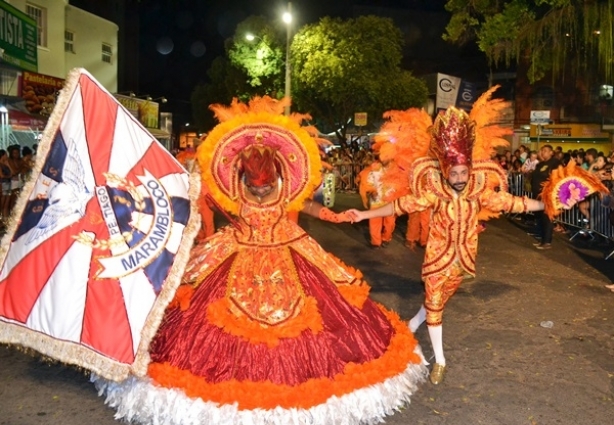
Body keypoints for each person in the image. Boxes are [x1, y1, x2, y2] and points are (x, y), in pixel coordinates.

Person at [93, 97, 428, 424]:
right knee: (194, 316)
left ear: (276, 178)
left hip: (289, 248)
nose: (261, 194)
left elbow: (305, 205)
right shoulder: (234, 192)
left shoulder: (284, 189)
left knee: (328, 314)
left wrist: (333, 214)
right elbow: (195, 197)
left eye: (266, 188)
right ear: (242, 180)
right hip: (235, 250)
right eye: (255, 189)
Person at [347, 103, 553, 386]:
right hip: (436, 259)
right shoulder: (435, 192)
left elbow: (512, 203)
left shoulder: (479, 190)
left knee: (439, 302)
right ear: (444, 172)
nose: (458, 179)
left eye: (462, 173)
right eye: (452, 173)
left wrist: (545, 205)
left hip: (463, 261)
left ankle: (414, 323)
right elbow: (399, 206)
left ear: (469, 169)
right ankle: (440, 361)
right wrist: (365, 213)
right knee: (434, 303)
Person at [357, 154, 396, 248]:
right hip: (376, 200)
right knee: (374, 222)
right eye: (381, 157)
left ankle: (386, 238)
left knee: (390, 223)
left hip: (390, 201)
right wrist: (372, 191)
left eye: (385, 157)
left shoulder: (396, 169)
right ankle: (375, 242)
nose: (383, 159)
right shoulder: (374, 169)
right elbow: (367, 181)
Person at [529, 145, 561, 249]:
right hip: (537, 194)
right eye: (542, 150)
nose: (543, 152)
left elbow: (557, 177)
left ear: (551, 152)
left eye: (546, 151)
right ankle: (542, 238)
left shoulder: (555, 163)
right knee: (540, 217)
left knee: (547, 217)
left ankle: (547, 241)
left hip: (547, 194)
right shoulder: (541, 164)